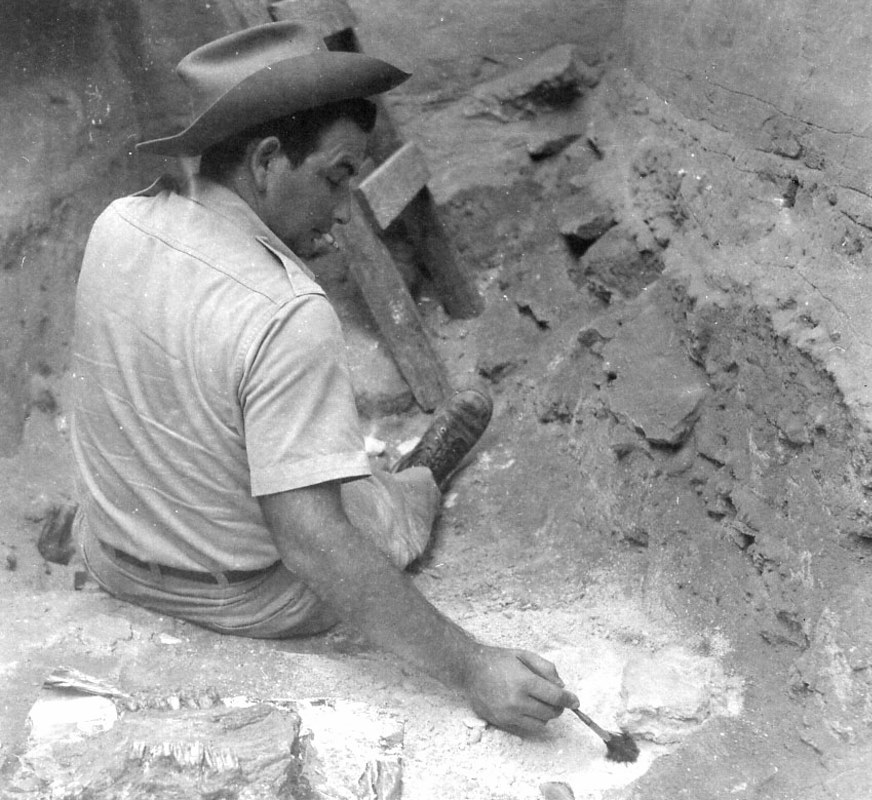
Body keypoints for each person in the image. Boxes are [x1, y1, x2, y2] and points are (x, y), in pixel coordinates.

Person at [71, 21, 578, 735]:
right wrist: (472, 666)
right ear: (270, 160)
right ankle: (421, 482)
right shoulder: (286, 308)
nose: (344, 210)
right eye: (337, 176)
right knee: (369, 513)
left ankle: (375, 477)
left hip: (116, 559)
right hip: (242, 601)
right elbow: (312, 546)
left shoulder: (117, 223)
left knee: (253, 440)